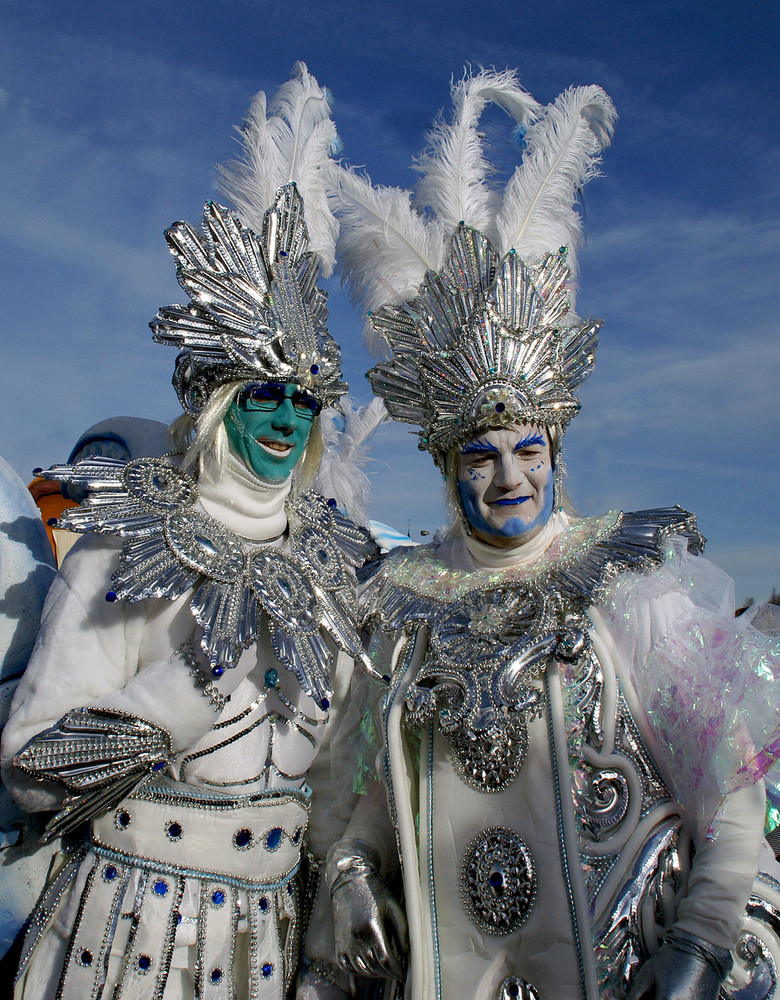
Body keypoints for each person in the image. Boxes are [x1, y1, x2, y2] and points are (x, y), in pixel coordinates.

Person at [323, 69, 780, 999]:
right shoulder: (404, 600)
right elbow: (372, 794)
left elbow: (726, 791)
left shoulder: (629, 579)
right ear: (448, 468)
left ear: (557, 446)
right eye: (480, 456)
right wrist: (351, 876)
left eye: (528, 448)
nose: (509, 479)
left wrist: (701, 942)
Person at [1, 64, 375, 1000]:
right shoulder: (128, 542)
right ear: (216, 405)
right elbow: (31, 768)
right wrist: (185, 690)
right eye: (262, 395)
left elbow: (338, 781)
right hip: (121, 941)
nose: (287, 419)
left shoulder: (337, 563)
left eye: (303, 398)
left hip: (267, 946)